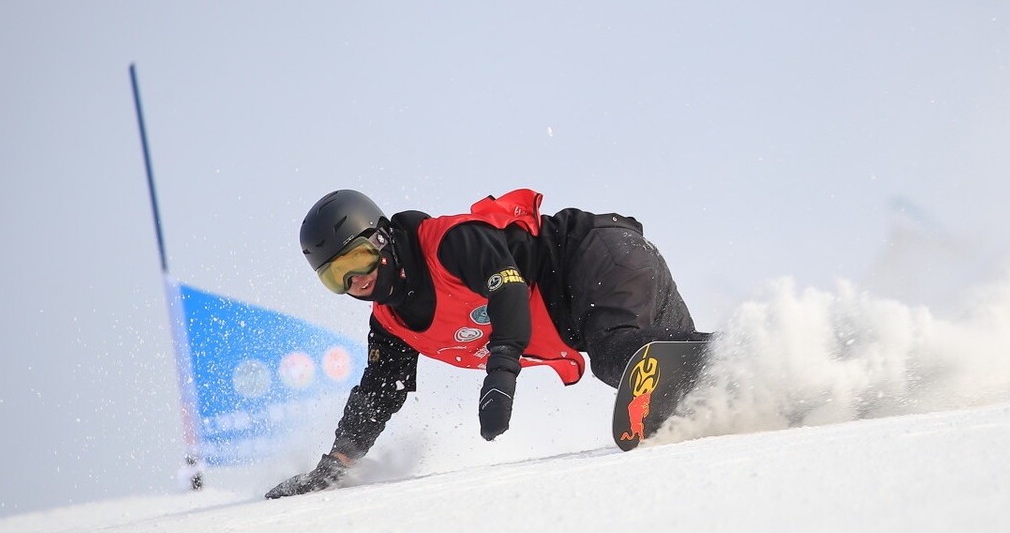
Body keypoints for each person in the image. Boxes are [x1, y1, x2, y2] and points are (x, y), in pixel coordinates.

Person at [265, 188, 708, 498]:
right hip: (599, 292)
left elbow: (508, 288)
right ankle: (756, 371)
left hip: (595, 254)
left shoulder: (447, 243)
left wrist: (502, 371)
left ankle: (747, 355)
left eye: (356, 261)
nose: (355, 282)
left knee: (618, 356)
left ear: (381, 239)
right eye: (334, 278)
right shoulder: (392, 323)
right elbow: (379, 393)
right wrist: (336, 465)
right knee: (682, 388)